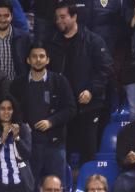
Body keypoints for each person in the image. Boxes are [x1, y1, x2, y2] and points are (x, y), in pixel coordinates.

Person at [48, 2, 112, 165]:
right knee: (62, 155)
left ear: (74, 16)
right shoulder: (51, 43)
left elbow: (104, 70)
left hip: (88, 107)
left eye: (63, 17)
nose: (59, 21)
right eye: (57, 18)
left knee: (88, 153)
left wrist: (91, 91)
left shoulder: (93, 41)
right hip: (62, 108)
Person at [9, 43, 75, 185]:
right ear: (28, 60)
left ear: (47, 60)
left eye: (41, 56)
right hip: (28, 145)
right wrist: (21, 125)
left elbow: (70, 109)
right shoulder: (17, 84)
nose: (38, 59)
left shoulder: (59, 81)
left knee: (57, 188)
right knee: (29, 188)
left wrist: (51, 122)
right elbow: (11, 110)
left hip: (55, 144)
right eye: (34, 56)